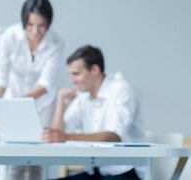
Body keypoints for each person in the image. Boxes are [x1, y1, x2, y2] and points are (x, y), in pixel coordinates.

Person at [42, 45, 143, 180]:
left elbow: (113, 136)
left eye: (76, 74)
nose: (73, 81)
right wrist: (61, 105)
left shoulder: (120, 90)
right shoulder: (84, 96)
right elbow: (56, 135)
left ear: (94, 70)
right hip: (96, 172)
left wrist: (66, 137)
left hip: (125, 173)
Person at [0, 0, 65, 180]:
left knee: (36, 159)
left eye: (41, 26)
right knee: (15, 157)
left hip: (42, 104)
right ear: (24, 21)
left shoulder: (56, 42)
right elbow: (1, 75)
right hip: (15, 98)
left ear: (48, 23)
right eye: (30, 25)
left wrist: (20, 101)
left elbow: (46, 83)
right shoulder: (10, 36)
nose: (35, 31)